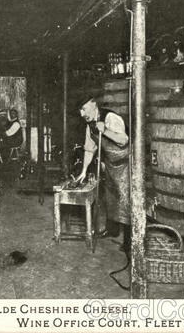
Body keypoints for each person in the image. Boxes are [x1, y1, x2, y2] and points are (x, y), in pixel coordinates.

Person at [75, 97, 130, 251]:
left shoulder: (110, 118)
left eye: (84, 108)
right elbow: (89, 149)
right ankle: (112, 230)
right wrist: (84, 170)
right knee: (111, 197)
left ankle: (129, 242)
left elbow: (123, 140)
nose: (81, 113)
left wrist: (105, 130)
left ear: (94, 105)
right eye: (80, 110)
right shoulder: (90, 125)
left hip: (126, 162)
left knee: (126, 200)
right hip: (111, 163)